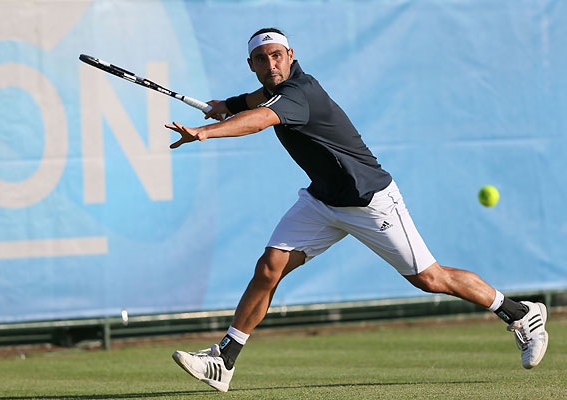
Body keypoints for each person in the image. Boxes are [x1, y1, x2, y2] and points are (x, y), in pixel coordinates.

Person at [165, 28, 549, 392]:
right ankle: (224, 360)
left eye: (277, 56)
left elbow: (262, 117)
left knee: (430, 279)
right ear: (252, 65)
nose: (271, 64)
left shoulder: (300, 92)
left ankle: (520, 313)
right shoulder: (272, 89)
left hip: (369, 200)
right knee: (269, 267)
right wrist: (226, 106)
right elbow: (255, 101)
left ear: (291, 56)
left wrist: (205, 132)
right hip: (322, 201)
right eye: (262, 59)